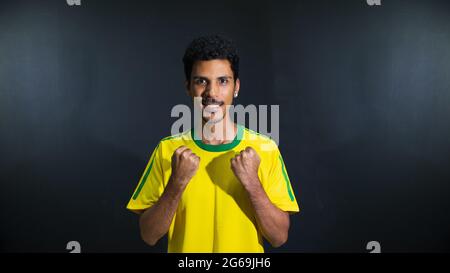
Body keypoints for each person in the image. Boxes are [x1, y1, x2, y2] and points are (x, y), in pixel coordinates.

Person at [126, 35, 299, 253]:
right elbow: (149, 235)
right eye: (201, 81)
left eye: (223, 81)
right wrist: (176, 183)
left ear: (236, 87)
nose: (212, 93)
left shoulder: (265, 148)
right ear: (188, 87)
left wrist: (253, 184)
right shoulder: (167, 150)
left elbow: (279, 237)